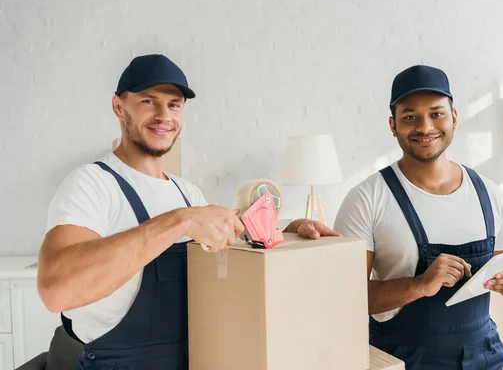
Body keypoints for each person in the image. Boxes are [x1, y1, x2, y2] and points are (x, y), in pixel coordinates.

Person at [37, 54, 338, 370]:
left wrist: (290, 229)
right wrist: (180, 220)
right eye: (149, 102)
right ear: (118, 107)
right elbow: (56, 290)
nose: (163, 115)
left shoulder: (187, 193)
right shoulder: (92, 184)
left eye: (174, 104)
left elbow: (231, 246)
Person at [333, 65, 503, 369]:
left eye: (436, 113)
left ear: (454, 116)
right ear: (392, 125)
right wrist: (421, 285)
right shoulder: (366, 199)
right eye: (410, 117)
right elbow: (345, 298)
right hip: (404, 360)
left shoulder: (490, 194)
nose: (425, 127)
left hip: (485, 356)